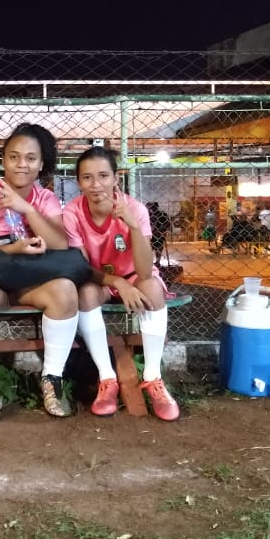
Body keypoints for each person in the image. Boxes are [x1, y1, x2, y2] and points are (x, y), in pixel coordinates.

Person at [0, 123, 80, 418]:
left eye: (31, 158)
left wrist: (27, 209)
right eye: (14, 156)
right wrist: (13, 249)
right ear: (3, 160)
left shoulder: (45, 199)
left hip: (32, 283)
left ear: (41, 164)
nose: (22, 164)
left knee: (65, 290)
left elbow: (60, 244)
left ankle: (52, 378)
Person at [62, 147, 180, 421]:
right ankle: (107, 378)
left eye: (103, 176)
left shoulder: (135, 209)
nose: (96, 184)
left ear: (116, 178)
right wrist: (117, 283)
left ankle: (153, 377)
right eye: (87, 177)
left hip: (134, 275)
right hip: (99, 279)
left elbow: (145, 271)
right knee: (84, 294)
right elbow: (82, 268)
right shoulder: (72, 212)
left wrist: (133, 226)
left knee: (151, 289)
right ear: (79, 182)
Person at [146, 201, 171, 265]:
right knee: (148, 247)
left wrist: (160, 230)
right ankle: (149, 261)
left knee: (158, 246)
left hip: (159, 234)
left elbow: (167, 224)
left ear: (156, 207)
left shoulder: (162, 214)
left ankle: (157, 261)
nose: (151, 209)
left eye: (153, 207)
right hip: (150, 234)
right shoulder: (148, 215)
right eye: (150, 207)